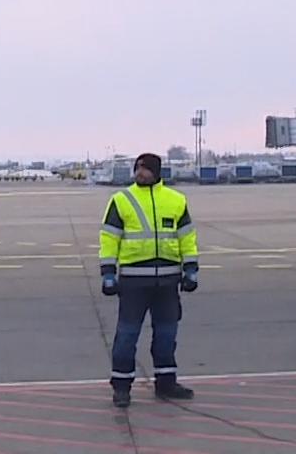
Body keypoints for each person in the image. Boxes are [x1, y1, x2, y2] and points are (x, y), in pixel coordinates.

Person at [98, 152, 199, 407]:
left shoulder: (175, 200)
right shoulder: (122, 200)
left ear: (157, 172)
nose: (139, 173)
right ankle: (121, 386)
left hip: (168, 280)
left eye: (145, 169)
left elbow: (186, 237)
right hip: (134, 281)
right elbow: (109, 238)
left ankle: (166, 382)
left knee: (166, 334)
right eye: (137, 168)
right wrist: (108, 272)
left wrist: (191, 269)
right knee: (127, 335)